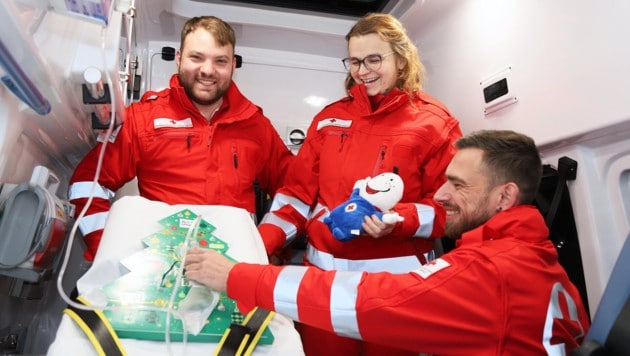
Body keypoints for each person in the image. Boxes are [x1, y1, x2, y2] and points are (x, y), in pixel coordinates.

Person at [185, 129, 591, 355]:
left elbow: (365, 301)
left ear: (505, 196)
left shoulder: (490, 271)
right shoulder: (542, 262)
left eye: (457, 184)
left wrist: (237, 276)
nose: (442, 195)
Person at [254, 12, 462, 355]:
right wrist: (259, 244)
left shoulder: (434, 123)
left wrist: (398, 221)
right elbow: (294, 196)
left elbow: (450, 207)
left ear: (400, 57)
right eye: (354, 61)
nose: (362, 71)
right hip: (325, 288)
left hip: (395, 293)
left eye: (374, 59)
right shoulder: (328, 118)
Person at [68, 16, 293, 261]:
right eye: (196, 58)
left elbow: (295, 190)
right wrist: (109, 249)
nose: (207, 70)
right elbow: (87, 182)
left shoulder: (255, 125)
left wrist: (262, 244)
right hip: (161, 270)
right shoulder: (144, 118)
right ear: (178, 59)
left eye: (220, 61)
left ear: (232, 67)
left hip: (234, 272)